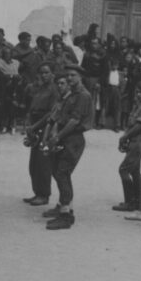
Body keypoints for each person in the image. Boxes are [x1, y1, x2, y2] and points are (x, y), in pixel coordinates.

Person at [43, 65, 94, 230]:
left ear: (80, 77)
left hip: (73, 139)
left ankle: (65, 216)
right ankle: (66, 208)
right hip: (66, 137)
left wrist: (58, 136)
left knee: (62, 173)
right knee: (59, 173)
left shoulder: (83, 96)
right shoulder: (71, 94)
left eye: (73, 75)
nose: (70, 78)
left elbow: (74, 121)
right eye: (68, 75)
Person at [112, 81, 141, 214]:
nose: (137, 95)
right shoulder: (138, 106)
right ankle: (136, 201)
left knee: (123, 170)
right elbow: (131, 125)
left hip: (138, 141)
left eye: (140, 92)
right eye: (136, 92)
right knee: (134, 172)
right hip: (134, 141)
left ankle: (130, 202)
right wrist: (126, 137)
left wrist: (124, 137)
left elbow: (139, 126)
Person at [22, 61, 58, 206]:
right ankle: (37, 192)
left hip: (46, 128)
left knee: (43, 164)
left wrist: (35, 126)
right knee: (34, 164)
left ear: (52, 74)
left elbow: (50, 113)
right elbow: (31, 109)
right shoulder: (39, 89)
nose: (43, 75)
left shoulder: (54, 90)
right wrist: (28, 124)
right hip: (35, 127)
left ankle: (44, 195)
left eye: (46, 72)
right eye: (41, 72)